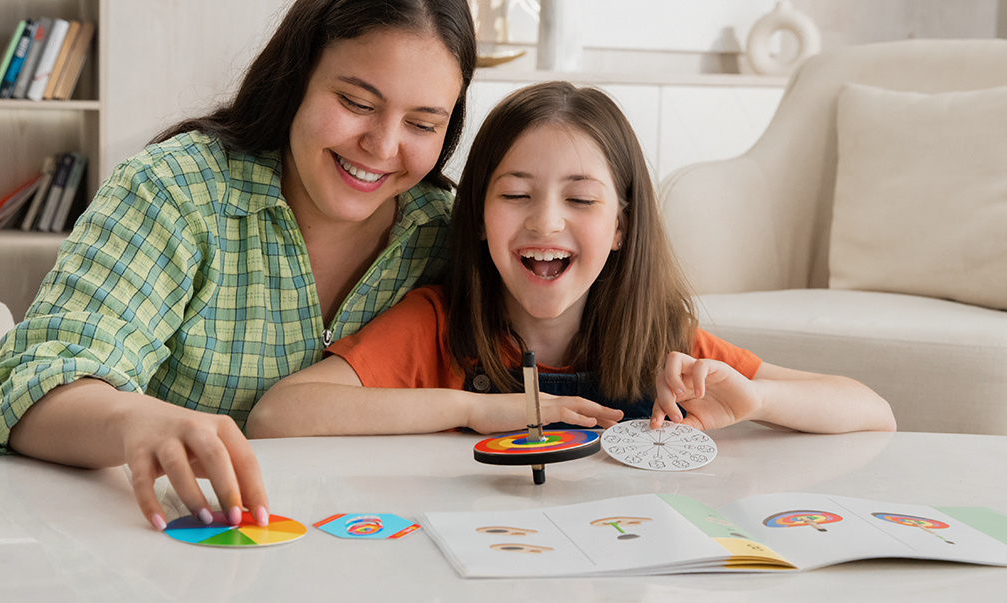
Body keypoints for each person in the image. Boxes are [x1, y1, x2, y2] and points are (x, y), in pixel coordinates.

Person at [0, 0, 477, 532]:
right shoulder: (174, 192)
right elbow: (30, 388)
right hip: (164, 551)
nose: (382, 147)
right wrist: (134, 421)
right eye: (356, 102)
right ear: (297, 76)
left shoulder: (447, 237)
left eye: (422, 124)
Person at [247, 82, 896, 438]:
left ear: (621, 226)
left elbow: (871, 410)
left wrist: (753, 399)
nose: (546, 221)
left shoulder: (657, 343)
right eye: (517, 194)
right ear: (475, 216)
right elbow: (281, 414)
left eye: (580, 198)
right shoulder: (437, 326)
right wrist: (476, 408)